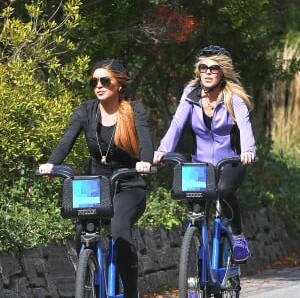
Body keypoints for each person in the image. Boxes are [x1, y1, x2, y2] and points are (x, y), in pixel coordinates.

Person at [39, 59, 154, 298]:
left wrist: (145, 162)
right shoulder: (86, 110)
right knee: (82, 226)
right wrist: (52, 164)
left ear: (119, 84)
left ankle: (131, 292)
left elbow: (146, 142)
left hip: (129, 183)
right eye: (94, 81)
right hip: (98, 186)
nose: (98, 85)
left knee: (118, 226)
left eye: (105, 80)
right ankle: (89, 278)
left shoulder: (134, 110)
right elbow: (66, 140)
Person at [153, 45, 256, 262]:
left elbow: (245, 128)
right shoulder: (190, 95)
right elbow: (177, 125)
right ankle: (197, 251)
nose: (208, 72)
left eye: (214, 68)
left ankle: (238, 237)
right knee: (196, 205)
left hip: (231, 161)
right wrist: (163, 150)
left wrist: (248, 151)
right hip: (200, 163)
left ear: (223, 72)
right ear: (198, 71)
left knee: (223, 190)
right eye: (203, 67)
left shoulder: (233, 98)